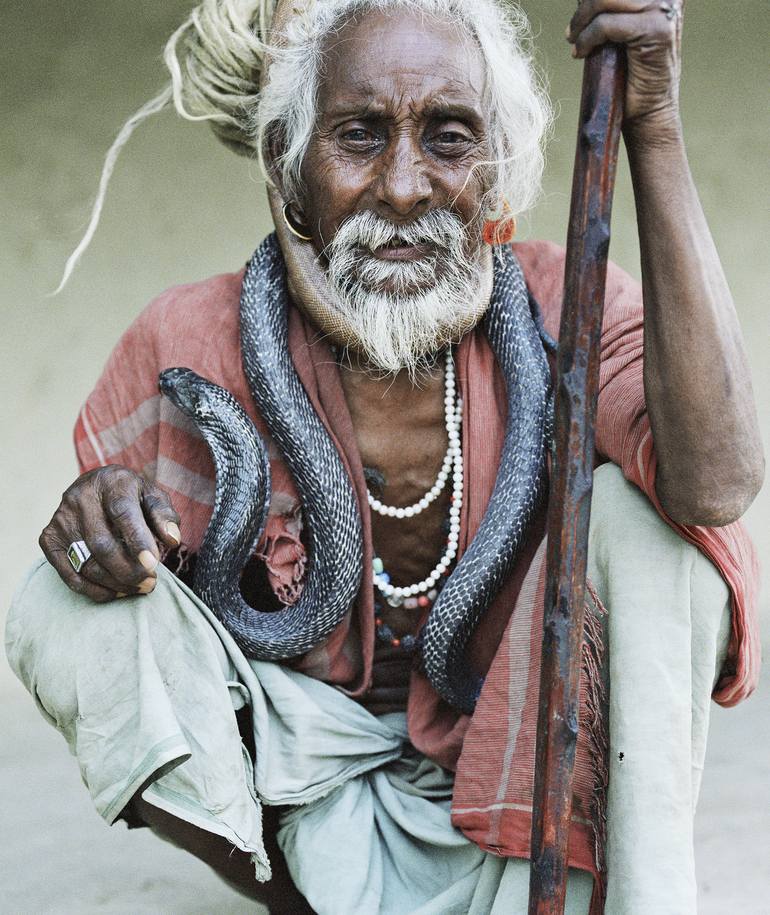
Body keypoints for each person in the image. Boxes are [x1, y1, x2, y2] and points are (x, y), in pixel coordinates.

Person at [6, 0, 763, 912]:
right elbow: (142, 608)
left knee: (658, 533)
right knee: (70, 605)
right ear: (291, 177)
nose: (402, 187)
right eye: (359, 137)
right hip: (309, 804)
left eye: (449, 139)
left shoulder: (571, 304)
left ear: (499, 181)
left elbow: (716, 483)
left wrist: (654, 130)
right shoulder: (189, 341)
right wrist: (103, 524)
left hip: (533, 784)